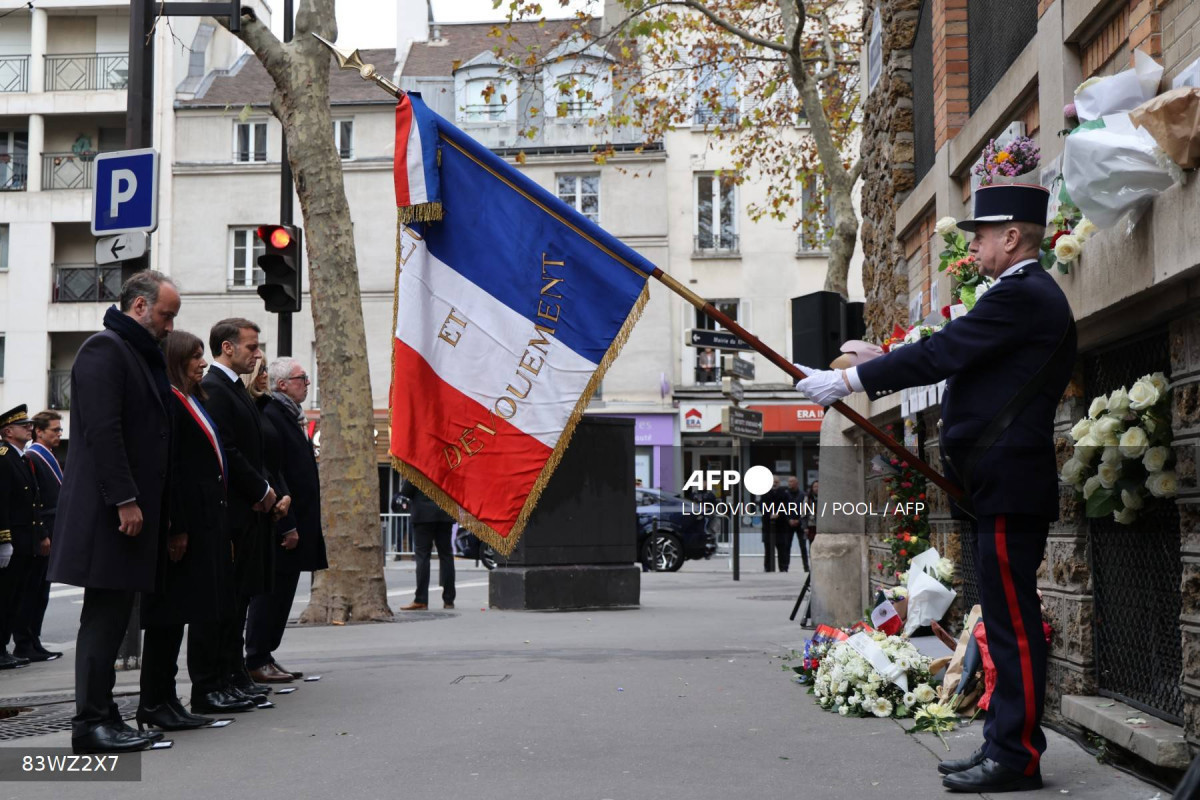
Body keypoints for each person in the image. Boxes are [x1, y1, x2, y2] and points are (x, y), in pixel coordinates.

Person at [796, 184, 1074, 794]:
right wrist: (884, 356)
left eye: (982, 235)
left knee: (1012, 623)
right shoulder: (1015, 297)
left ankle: (1018, 755)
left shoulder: (1025, 294)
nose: (972, 245)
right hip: (996, 484)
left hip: (1008, 485)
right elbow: (957, 351)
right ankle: (1004, 746)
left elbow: (946, 352)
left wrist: (852, 381)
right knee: (1001, 619)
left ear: (1013, 237)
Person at [48, 270, 179, 754]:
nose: (169, 326)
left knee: (114, 613)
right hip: (112, 513)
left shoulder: (138, 354)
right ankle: (90, 724)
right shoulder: (106, 349)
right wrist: (125, 499)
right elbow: (105, 433)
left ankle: (104, 714)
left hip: (127, 513)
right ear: (140, 307)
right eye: (166, 315)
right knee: (104, 618)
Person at [138, 331, 239, 729]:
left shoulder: (191, 398)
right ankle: (154, 702)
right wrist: (176, 527)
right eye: (195, 357)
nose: (202, 363)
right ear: (176, 360)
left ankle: (167, 699)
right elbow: (173, 470)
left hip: (204, 522)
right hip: (183, 528)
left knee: (182, 614)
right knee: (168, 616)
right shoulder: (168, 400)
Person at [196, 320, 282, 710]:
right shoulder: (214, 386)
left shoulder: (234, 388)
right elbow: (227, 450)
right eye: (251, 347)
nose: (258, 353)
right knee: (224, 605)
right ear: (227, 348)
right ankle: (215, 682)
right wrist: (261, 488)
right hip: (233, 511)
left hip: (249, 511)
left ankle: (233, 677)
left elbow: (253, 448)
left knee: (239, 602)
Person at [246, 357, 324, 683]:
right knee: (271, 595)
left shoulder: (290, 415)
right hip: (283, 520)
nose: (307, 382)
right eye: (301, 378)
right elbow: (275, 471)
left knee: (284, 593)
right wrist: (287, 522)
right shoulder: (272, 414)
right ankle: (256, 657)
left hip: (298, 518)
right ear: (282, 385)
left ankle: (266, 654)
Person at [0, 406, 47, 669]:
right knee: (5, 598)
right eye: (23, 425)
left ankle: (3, 648)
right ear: (8, 431)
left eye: (29, 424)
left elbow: (32, 502)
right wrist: (4, 540)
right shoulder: (4, 458)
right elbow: (2, 503)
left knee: (15, 598)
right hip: (13, 541)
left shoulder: (19, 458)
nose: (29, 428)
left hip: (24, 541)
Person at [17, 410, 65, 662]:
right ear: (39, 431)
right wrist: (42, 534)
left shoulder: (47, 456)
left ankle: (34, 640)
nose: (59, 434)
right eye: (55, 430)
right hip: (42, 531)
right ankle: (25, 642)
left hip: (52, 528)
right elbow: (34, 500)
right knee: (31, 591)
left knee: (41, 591)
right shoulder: (33, 456)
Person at [396, 479, 456, 610]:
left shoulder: (419, 464)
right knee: (446, 555)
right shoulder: (449, 464)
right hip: (445, 512)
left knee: (423, 556)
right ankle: (449, 600)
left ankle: (421, 600)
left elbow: (406, 491)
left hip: (423, 515)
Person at [760, 476, 786, 572]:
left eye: (776, 482)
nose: (774, 484)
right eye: (773, 482)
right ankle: (768, 567)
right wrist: (769, 514)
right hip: (768, 525)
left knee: (781, 548)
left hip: (780, 525)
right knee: (768, 548)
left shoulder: (783, 494)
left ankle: (783, 567)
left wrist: (778, 514)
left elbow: (787, 506)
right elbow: (762, 507)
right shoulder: (765, 493)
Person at [777, 476, 803, 573]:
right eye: (789, 482)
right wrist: (788, 519)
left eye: (792, 482)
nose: (790, 483)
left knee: (803, 546)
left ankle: (806, 567)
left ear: (797, 483)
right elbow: (783, 508)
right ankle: (785, 567)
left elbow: (805, 509)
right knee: (786, 546)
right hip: (788, 523)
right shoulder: (785, 494)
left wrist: (799, 520)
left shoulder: (802, 495)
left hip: (799, 523)